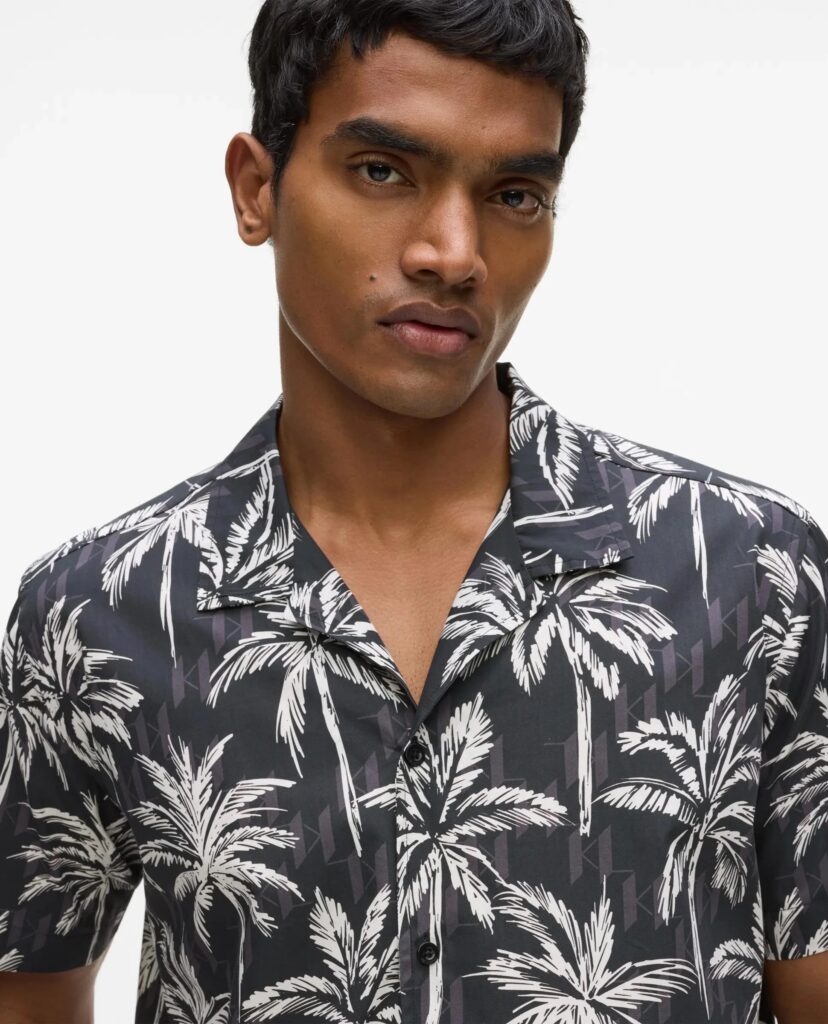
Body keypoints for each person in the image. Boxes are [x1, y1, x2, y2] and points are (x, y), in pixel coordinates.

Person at [1, 2, 826, 1022]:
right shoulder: (96, 612)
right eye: (383, 171)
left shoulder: (747, 572)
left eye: (514, 194)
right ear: (257, 189)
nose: (452, 252)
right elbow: (29, 991)